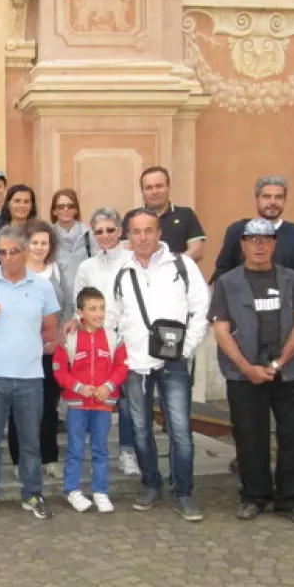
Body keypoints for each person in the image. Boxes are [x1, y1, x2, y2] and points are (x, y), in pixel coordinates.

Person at [211, 219, 294, 525]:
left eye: (266, 239)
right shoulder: (227, 282)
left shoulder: (291, 279)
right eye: (252, 239)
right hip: (244, 374)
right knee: (249, 437)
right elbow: (221, 330)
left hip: (290, 370)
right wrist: (247, 368)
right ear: (242, 244)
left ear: (274, 244)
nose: (259, 245)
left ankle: (293, 500)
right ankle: (254, 496)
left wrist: (279, 362)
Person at [108, 209, 210, 521]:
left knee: (180, 428)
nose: (142, 237)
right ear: (129, 235)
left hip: (174, 362)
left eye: (148, 230)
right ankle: (150, 485)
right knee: (140, 429)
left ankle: (183, 492)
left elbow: (200, 307)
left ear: (159, 232)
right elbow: (112, 317)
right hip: (136, 362)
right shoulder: (121, 270)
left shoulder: (182, 265)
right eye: (136, 231)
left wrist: (187, 347)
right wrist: (119, 354)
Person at [0, 225, 60, 521]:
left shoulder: (42, 286)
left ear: (25, 252)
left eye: (14, 251)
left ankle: (33, 493)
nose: (8, 258)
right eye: (2, 252)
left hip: (30, 375)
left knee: (30, 440)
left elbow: (50, 329)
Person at [72, 207, 139, 476]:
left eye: (110, 230)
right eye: (99, 231)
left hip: (129, 337)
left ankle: (127, 451)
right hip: (97, 340)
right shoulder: (87, 266)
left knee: (128, 400)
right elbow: (78, 301)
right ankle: (94, 448)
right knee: (97, 394)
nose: (105, 235)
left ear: (120, 231)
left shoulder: (133, 260)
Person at [53, 287, 128, 514]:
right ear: (80, 312)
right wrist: (79, 387)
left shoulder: (114, 337)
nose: (99, 314)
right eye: (92, 309)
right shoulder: (69, 337)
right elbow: (59, 369)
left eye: (102, 308)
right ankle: (72, 489)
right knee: (75, 448)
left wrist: (108, 386)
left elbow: (122, 366)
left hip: (103, 405)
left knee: (100, 449)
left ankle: (100, 491)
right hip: (77, 405)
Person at [10, 220, 66, 480]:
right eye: (35, 242)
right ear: (25, 244)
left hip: (49, 351)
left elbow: (64, 308)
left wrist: (58, 337)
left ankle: (49, 456)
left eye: (44, 243)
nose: (39, 247)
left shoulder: (56, 272)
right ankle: (19, 457)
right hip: (21, 351)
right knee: (20, 406)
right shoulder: (16, 271)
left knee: (48, 405)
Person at [212, 175, 294, 285]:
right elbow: (223, 270)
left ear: (285, 200)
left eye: (278, 197)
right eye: (266, 197)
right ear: (257, 199)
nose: (273, 202)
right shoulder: (238, 230)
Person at [122, 166, 207, 261]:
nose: (154, 192)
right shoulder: (132, 217)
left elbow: (197, 250)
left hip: (177, 272)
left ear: (168, 187)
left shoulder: (186, 215)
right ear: (142, 191)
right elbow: (125, 251)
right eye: (149, 188)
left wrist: (172, 266)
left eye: (159, 186)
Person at [50, 189, 94, 311]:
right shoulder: (47, 236)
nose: (65, 210)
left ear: (76, 210)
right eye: (60, 206)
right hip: (55, 302)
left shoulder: (89, 235)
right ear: (54, 211)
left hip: (83, 302)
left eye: (70, 206)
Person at [0, 184, 38, 254]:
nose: (22, 205)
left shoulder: (39, 231)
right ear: (8, 204)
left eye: (26, 202)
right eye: (17, 201)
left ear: (32, 205)